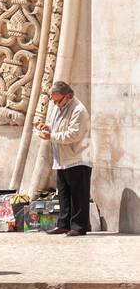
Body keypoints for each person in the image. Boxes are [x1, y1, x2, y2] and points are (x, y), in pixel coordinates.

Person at [39, 81, 92, 236]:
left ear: (68, 96)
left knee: (78, 194)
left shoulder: (79, 110)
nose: (55, 104)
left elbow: (73, 134)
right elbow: (55, 124)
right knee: (63, 193)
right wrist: (47, 127)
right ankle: (63, 224)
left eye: (57, 101)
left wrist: (51, 136)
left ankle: (78, 227)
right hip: (62, 159)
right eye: (53, 101)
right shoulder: (58, 107)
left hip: (78, 157)